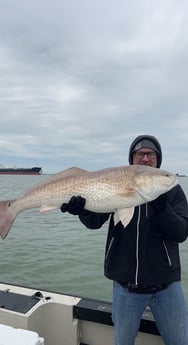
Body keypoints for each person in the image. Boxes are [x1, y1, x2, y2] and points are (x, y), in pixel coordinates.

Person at [61, 134, 188, 345]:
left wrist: (161, 206)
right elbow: (94, 222)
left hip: (166, 285)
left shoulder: (172, 191)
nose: (146, 158)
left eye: (151, 154)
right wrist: (82, 210)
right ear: (132, 158)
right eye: (140, 154)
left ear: (158, 160)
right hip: (125, 286)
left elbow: (181, 232)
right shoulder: (116, 186)